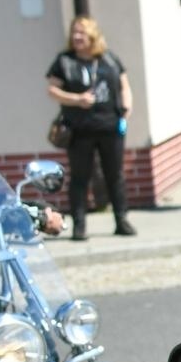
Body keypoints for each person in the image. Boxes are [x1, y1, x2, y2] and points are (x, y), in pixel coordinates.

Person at [45, 15, 134, 240]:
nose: (77, 37)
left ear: (92, 35)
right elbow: (52, 90)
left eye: (82, 33)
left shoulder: (109, 59)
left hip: (109, 126)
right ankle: (79, 225)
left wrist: (126, 107)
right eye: (74, 33)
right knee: (80, 177)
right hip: (79, 129)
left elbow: (124, 85)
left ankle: (121, 219)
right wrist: (77, 99)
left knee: (114, 175)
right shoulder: (65, 60)